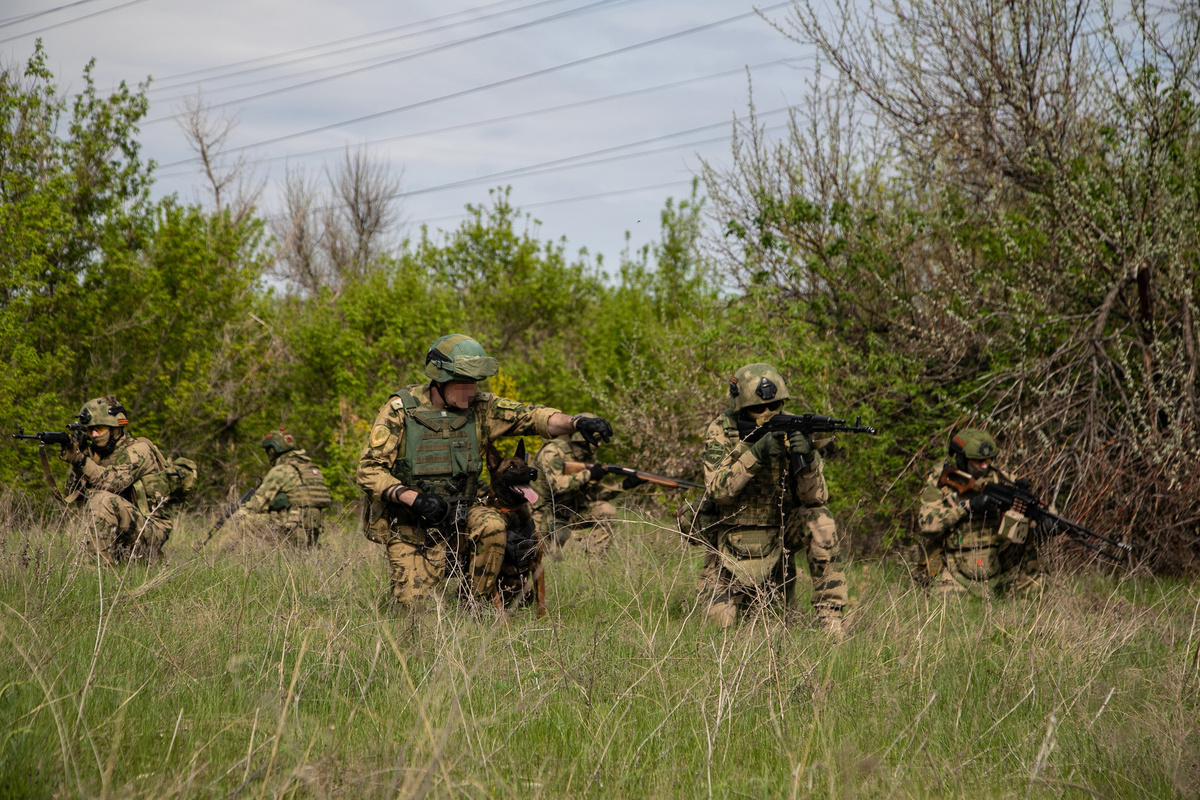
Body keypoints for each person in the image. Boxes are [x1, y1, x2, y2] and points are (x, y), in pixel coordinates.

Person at [356, 334, 613, 608]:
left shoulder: (481, 408)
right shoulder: (400, 410)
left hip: (463, 515)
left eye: (475, 383)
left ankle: (475, 603)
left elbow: (532, 416)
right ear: (440, 379)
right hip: (413, 524)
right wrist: (414, 499)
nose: (472, 390)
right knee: (416, 610)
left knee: (493, 524)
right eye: (464, 383)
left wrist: (576, 422)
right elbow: (368, 470)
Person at [699, 364, 847, 634]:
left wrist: (808, 459)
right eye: (759, 408)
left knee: (821, 519)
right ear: (742, 407)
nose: (768, 412)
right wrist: (757, 453)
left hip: (780, 534)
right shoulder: (722, 430)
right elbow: (719, 493)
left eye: (775, 405)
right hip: (730, 540)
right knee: (719, 629)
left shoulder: (793, 427)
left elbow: (815, 498)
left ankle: (830, 620)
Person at [917, 428, 1044, 597]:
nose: (984, 465)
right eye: (977, 461)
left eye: (988, 460)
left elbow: (1033, 506)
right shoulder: (941, 481)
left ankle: (1028, 593)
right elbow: (927, 525)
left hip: (994, 560)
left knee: (1031, 529)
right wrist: (966, 507)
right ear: (961, 458)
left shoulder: (1000, 478)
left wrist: (1043, 521)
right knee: (947, 608)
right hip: (953, 565)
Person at [57, 396, 174, 562]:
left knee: (102, 499)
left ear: (116, 428)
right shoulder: (95, 454)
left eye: (99, 429)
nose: (94, 435)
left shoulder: (138, 450)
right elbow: (73, 494)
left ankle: (95, 568)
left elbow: (113, 483)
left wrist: (81, 461)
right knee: (100, 499)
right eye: (90, 430)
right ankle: (108, 562)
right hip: (122, 529)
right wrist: (76, 461)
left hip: (151, 530)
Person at [530, 418, 643, 557]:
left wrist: (624, 485)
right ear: (582, 438)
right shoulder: (553, 451)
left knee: (605, 510)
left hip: (568, 513)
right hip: (542, 514)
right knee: (538, 555)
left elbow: (594, 495)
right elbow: (557, 486)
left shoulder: (587, 458)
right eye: (596, 439)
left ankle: (593, 560)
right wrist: (588, 474)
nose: (599, 444)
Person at [223, 429, 331, 547]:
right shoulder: (310, 468)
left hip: (291, 528)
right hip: (313, 531)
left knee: (243, 517)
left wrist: (240, 509)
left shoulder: (281, 470)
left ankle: (237, 553)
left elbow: (256, 504)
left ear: (272, 450)